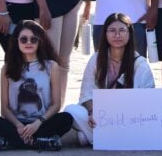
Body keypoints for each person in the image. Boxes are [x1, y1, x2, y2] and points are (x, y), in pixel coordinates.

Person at [0, 20, 74, 151]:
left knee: (66, 118)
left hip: (41, 122)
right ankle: (39, 141)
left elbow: (56, 105)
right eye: (23, 39)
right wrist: (19, 126)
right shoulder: (7, 68)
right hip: (16, 123)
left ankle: (13, 142)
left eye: (33, 39)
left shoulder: (51, 66)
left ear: (40, 41)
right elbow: (5, 109)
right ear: (16, 41)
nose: (28, 43)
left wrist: (37, 123)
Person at [64, 13, 156, 145]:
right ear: (105, 34)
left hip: (130, 117)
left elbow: (149, 97)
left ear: (129, 33)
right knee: (71, 110)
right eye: (112, 31)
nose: (117, 35)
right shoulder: (96, 59)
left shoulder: (140, 63)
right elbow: (86, 92)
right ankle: (102, 137)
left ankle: (93, 138)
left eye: (122, 30)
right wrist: (93, 111)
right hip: (100, 115)